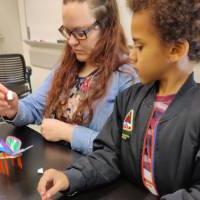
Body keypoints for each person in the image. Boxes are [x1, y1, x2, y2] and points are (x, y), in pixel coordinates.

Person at [37, 0, 200, 199]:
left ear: (175, 50)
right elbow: (108, 154)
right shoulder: (129, 99)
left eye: (139, 46)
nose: (131, 55)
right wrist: (71, 177)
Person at [0, 0, 137, 155]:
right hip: (58, 169)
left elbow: (125, 149)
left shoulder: (126, 76)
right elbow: (35, 106)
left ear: (107, 26)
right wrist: (14, 109)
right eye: (68, 31)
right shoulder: (67, 65)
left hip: (91, 175)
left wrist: (70, 133)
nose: (71, 41)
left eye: (80, 33)